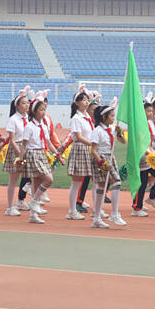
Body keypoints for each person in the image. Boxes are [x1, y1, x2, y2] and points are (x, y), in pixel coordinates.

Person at [21, 92, 62, 224]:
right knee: (48, 179)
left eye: (44, 109)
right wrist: (20, 159)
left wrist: (57, 156)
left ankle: (33, 215)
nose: (44, 112)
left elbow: (49, 143)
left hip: (42, 154)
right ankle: (34, 202)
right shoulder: (29, 126)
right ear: (34, 111)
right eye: (41, 109)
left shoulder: (43, 126)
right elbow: (24, 145)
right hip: (33, 154)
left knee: (36, 185)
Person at [90, 101, 126, 228]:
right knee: (113, 183)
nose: (113, 118)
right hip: (101, 158)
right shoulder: (97, 131)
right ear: (104, 117)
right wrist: (102, 163)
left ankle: (97, 218)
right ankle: (112, 214)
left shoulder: (111, 128)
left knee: (104, 187)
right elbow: (93, 150)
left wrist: (119, 132)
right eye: (111, 116)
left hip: (110, 157)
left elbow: (123, 141)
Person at [65, 86, 96, 220]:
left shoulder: (87, 116)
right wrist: (92, 144)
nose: (86, 102)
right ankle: (72, 210)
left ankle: (93, 209)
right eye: (83, 100)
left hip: (87, 149)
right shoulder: (76, 118)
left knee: (88, 180)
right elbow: (78, 136)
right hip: (80, 149)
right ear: (77, 102)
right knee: (76, 182)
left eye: (87, 100)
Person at [2, 88, 31, 216]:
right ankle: (10, 207)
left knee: (34, 175)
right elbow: (12, 140)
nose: (27, 105)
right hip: (16, 149)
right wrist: (20, 154)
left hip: (27, 148)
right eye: (24, 103)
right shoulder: (13, 119)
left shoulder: (28, 118)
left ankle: (24, 201)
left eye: (27, 103)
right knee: (13, 181)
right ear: (17, 105)